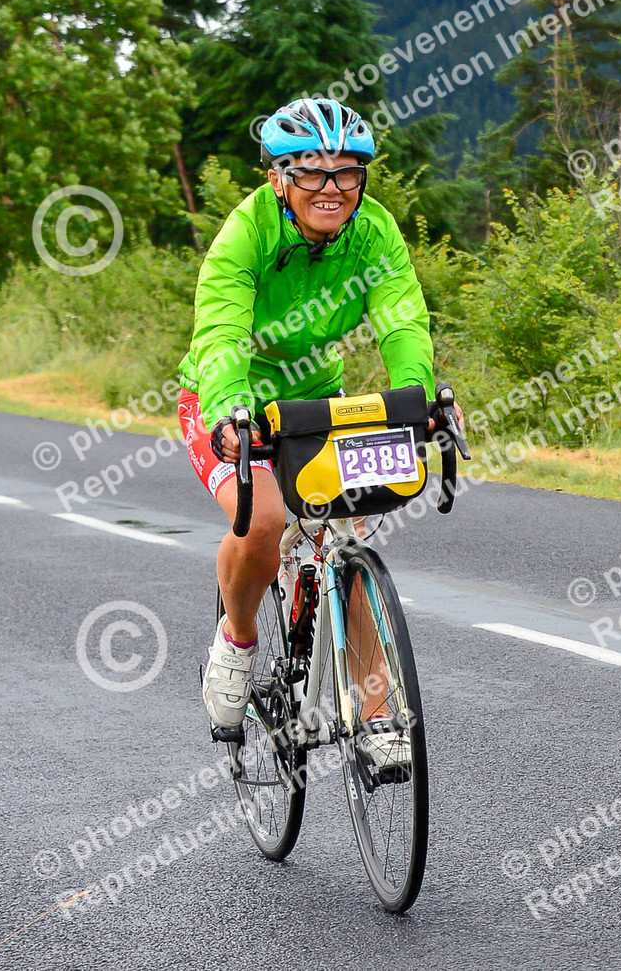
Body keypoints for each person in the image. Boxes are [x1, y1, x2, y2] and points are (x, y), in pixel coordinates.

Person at [176, 97, 459, 765]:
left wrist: (415, 395)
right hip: (230, 399)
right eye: (310, 170)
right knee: (264, 520)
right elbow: (220, 334)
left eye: (347, 172)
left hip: (314, 400)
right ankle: (237, 642)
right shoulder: (246, 234)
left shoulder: (374, 232)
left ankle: (377, 715)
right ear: (279, 178)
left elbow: (402, 321)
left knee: (347, 540)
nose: (331, 188)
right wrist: (228, 411)